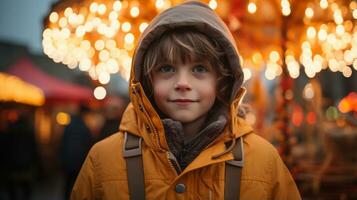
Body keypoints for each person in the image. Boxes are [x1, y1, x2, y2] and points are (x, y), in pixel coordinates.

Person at [71, 1, 301, 199]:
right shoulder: (103, 161)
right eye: (167, 68)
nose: (183, 83)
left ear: (221, 80)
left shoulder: (264, 162)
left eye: (199, 68)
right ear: (147, 81)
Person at [60, 105, 94, 200]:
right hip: (80, 162)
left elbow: (63, 143)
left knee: (67, 184)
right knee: (78, 185)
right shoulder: (85, 128)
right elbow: (88, 145)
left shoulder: (69, 126)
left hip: (68, 161)